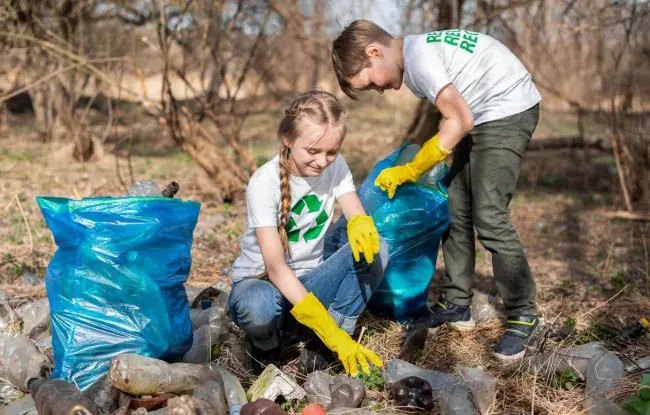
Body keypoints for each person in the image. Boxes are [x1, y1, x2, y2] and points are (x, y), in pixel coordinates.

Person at [331, 20, 542, 361]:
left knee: (488, 215)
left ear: (375, 52)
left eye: (370, 82)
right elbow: (456, 116)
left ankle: (523, 312)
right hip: (483, 111)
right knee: (454, 206)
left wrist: (412, 169)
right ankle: (458, 302)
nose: (378, 89)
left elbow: (460, 120)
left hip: (506, 109)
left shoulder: (418, 58)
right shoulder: (416, 57)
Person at [228, 91, 387, 376]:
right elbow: (275, 269)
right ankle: (266, 344)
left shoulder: (336, 166)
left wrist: (361, 223)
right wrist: (323, 325)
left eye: (331, 152)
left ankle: (327, 344)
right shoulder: (264, 183)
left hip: (310, 283)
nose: (322, 161)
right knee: (258, 308)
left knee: (378, 248)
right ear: (288, 139)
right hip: (262, 284)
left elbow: (355, 212)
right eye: (312, 151)